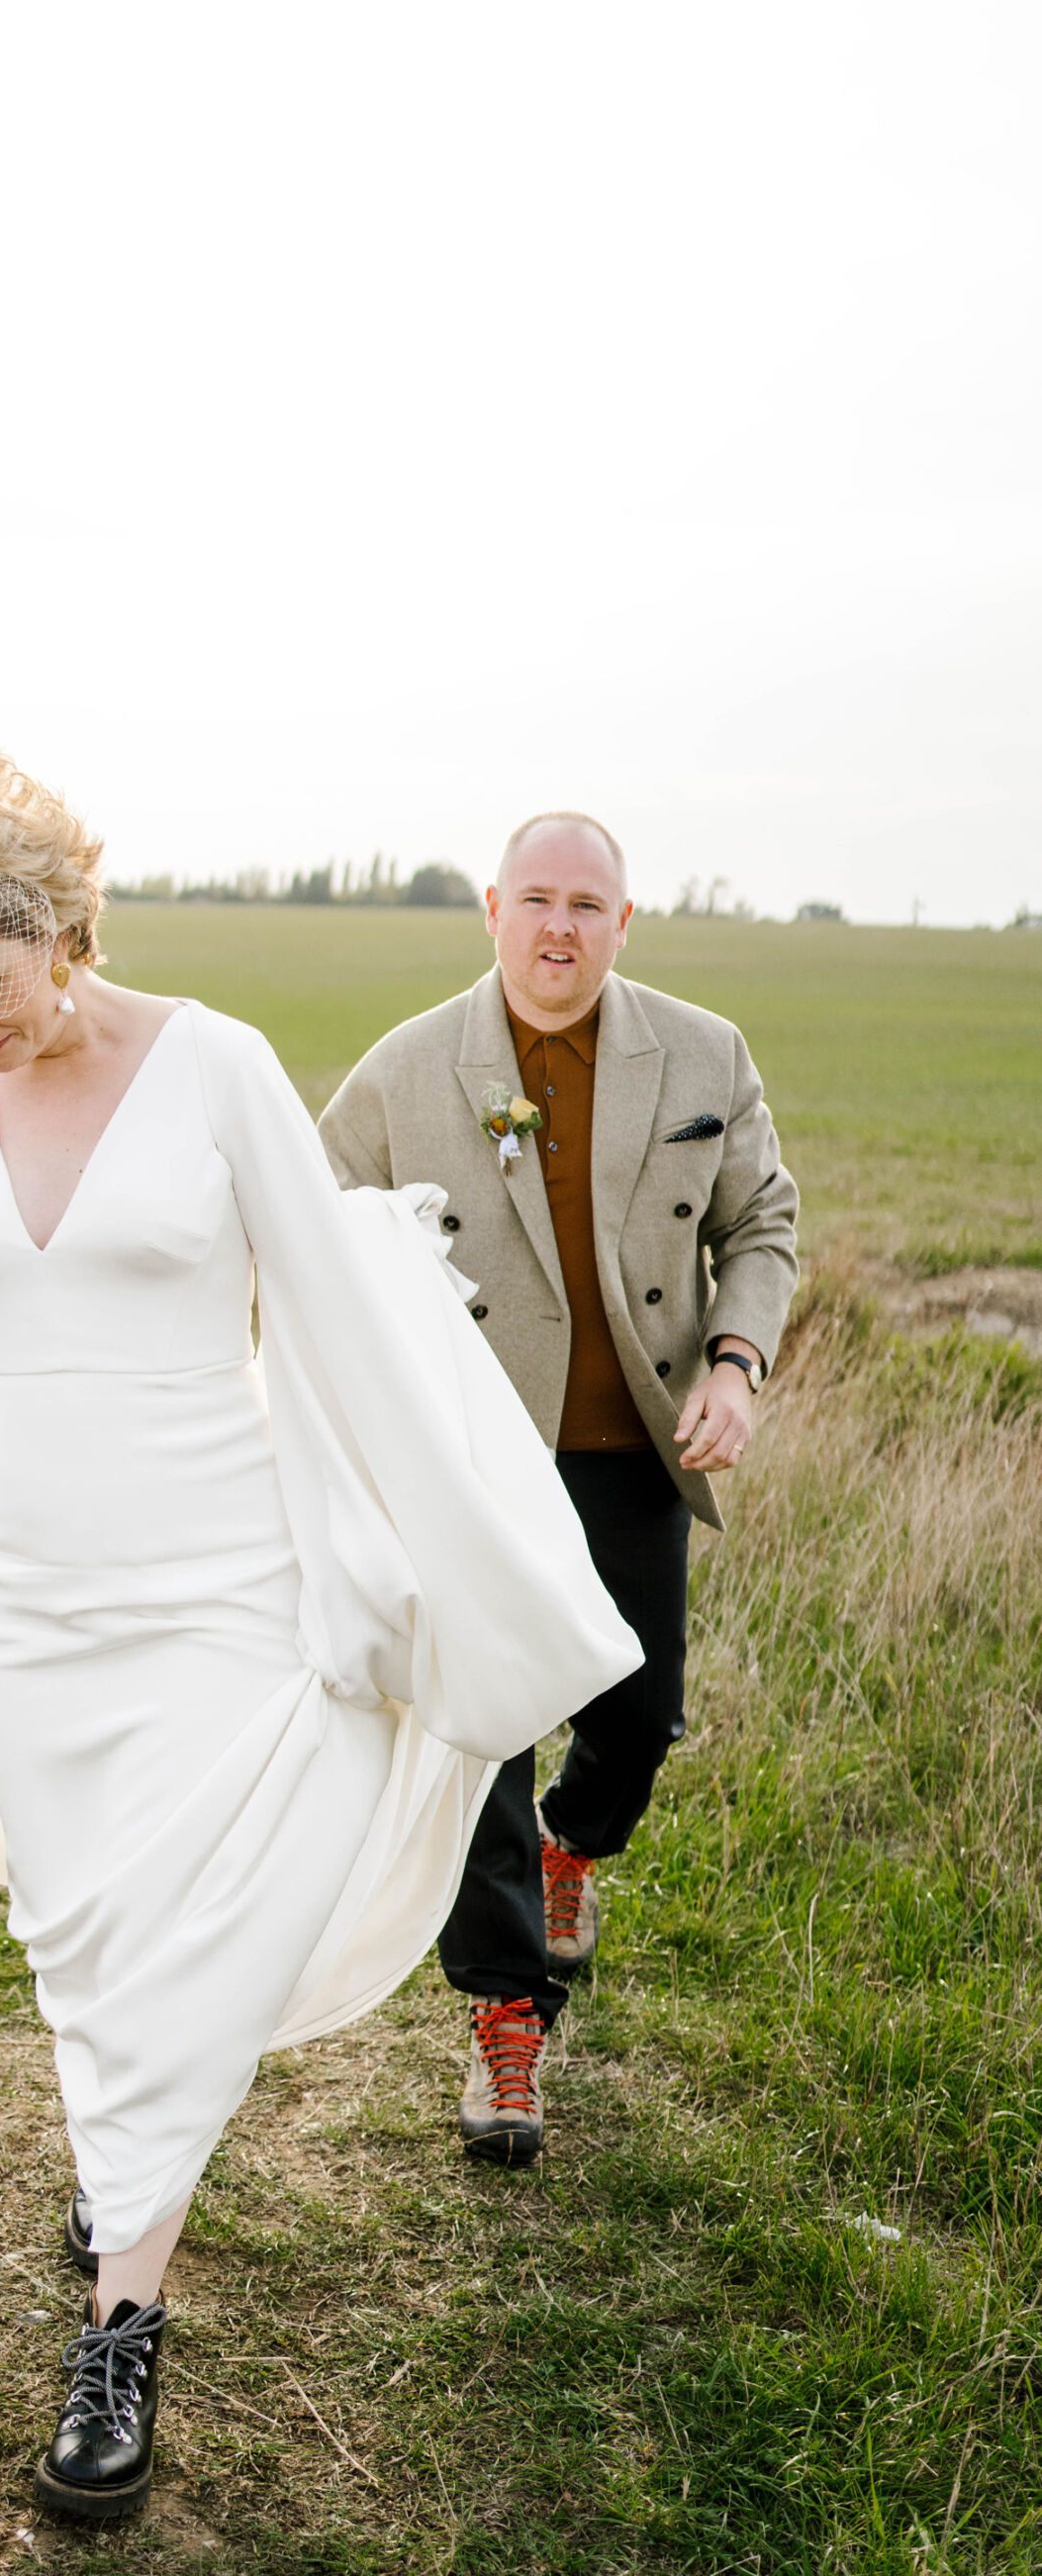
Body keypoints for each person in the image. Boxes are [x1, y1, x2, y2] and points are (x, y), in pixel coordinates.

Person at [0, 753, 639, 2519]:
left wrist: (433, 1551)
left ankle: (121, 2326)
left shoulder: (217, 1069)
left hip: (216, 1581)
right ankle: (125, 2158)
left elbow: (336, 1309)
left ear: (66, 933)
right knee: (84, 1931)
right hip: (22, 1589)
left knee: (193, 1931)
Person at [321, 812, 799, 2165]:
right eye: (537, 899)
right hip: (468, 1467)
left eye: (588, 905)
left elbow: (761, 1218)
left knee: (640, 1718)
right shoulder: (409, 1070)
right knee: (481, 1738)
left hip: (631, 1451)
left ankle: (576, 1845)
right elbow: (315, 1223)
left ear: (624, 923)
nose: (560, 928)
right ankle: (505, 2022)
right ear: (492, 909)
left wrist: (737, 1362)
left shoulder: (705, 1054)